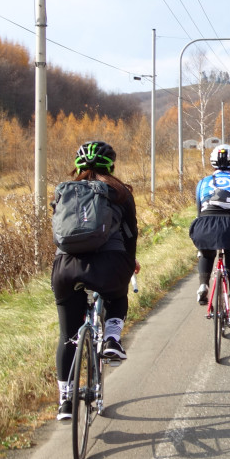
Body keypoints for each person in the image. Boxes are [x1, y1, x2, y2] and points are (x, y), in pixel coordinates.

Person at [50, 141, 140, 421]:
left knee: (67, 336)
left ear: (78, 166)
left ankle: (66, 400)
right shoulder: (120, 193)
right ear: (110, 165)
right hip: (109, 265)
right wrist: (130, 264)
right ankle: (112, 337)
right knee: (117, 292)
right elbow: (130, 235)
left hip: (66, 267)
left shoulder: (63, 191)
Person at [190, 144, 230, 328]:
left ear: (212, 163)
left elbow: (199, 211)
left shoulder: (202, 183)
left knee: (206, 252)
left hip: (205, 223)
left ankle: (203, 284)